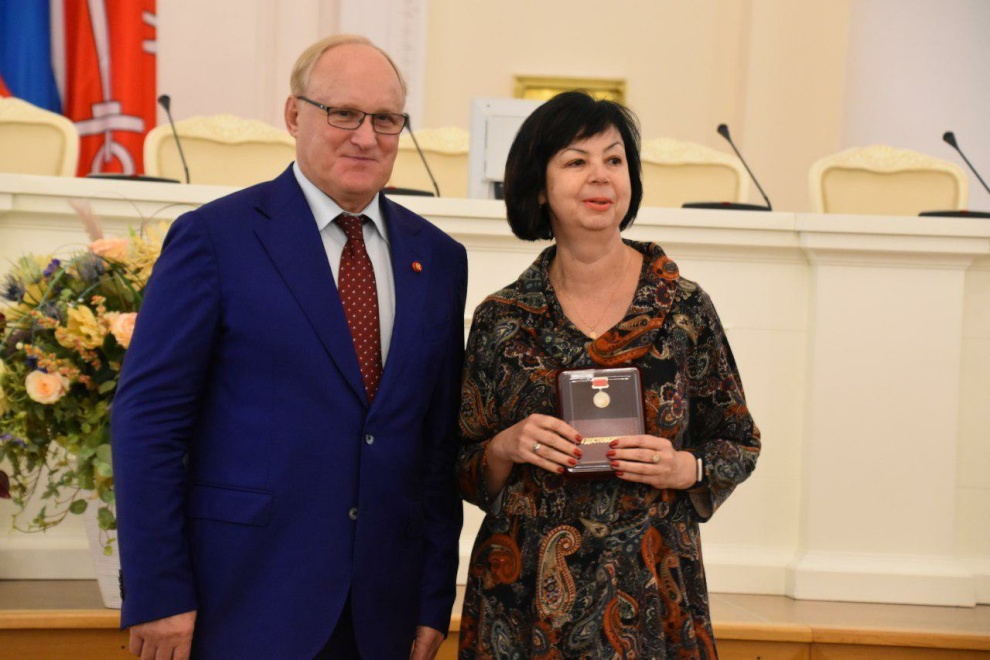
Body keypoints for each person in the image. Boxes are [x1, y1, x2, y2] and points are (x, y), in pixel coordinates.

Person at [111, 34, 466, 659]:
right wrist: (158, 589)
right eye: (344, 113)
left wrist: (432, 596)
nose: (366, 137)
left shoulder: (438, 258)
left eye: (386, 119)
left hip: (382, 613)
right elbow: (148, 423)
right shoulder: (214, 239)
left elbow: (435, 446)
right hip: (242, 602)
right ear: (294, 115)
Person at [456, 91, 760, 658]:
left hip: (653, 591)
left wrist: (684, 467)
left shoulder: (684, 308)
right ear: (539, 187)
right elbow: (460, 467)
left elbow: (738, 442)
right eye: (577, 161)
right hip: (525, 600)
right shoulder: (502, 319)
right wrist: (503, 446)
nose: (600, 175)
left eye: (613, 159)